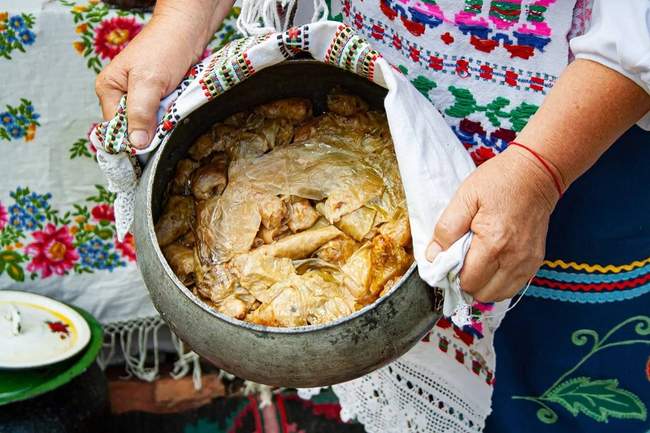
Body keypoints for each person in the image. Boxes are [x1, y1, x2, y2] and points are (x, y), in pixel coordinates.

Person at [95, 1, 650, 431]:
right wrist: (181, 21)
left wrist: (540, 170)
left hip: (575, 146)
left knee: (542, 393)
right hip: (363, 68)